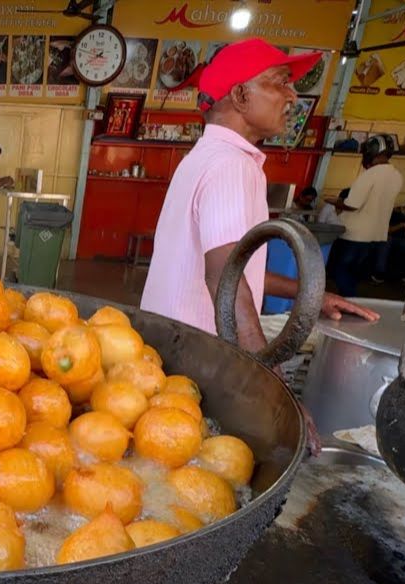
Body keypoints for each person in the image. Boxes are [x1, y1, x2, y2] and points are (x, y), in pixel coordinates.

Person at [140, 39, 377, 355]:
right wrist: (265, 373)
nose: (292, 95)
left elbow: (236, 267)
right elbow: (226, 277)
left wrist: (308, 295)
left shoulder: (206, 156)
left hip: (168, 340)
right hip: (196, 350)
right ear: (239, 95)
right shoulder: (230, 164)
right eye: (280, 82)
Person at [326, 136, 404, 295]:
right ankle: (351, 302)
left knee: (340, 271)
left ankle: (350, 303)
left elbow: (352, 204)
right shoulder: (397, 176)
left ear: (371, 152)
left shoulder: (371, 174)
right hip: (375, 235)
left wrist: (334, 201)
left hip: (355, 234)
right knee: (355, 273)